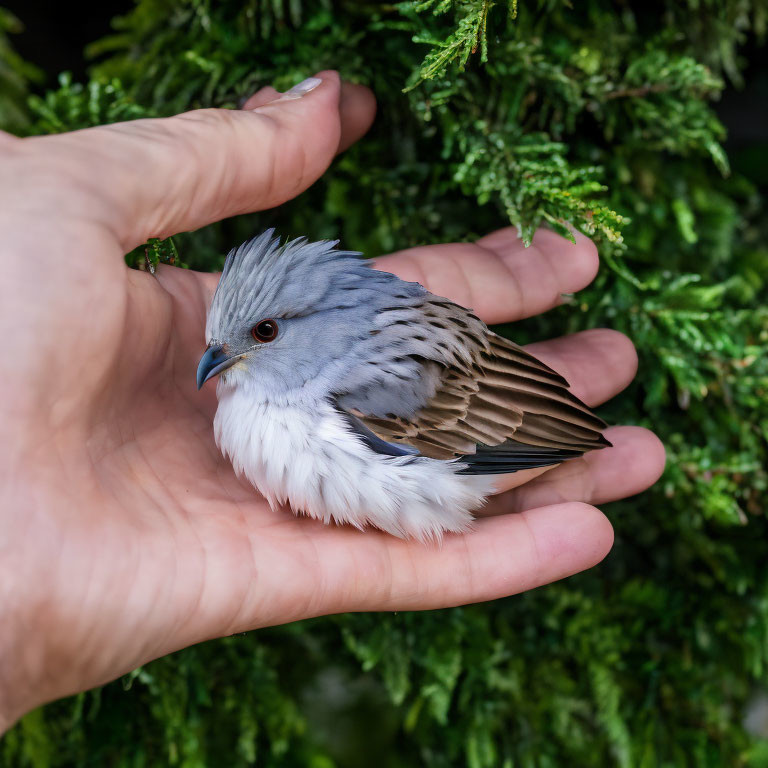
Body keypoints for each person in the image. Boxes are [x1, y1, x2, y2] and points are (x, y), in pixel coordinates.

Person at [0, 71, 665, 731]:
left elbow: (490, 429)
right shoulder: (257, 386)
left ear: (308, 323)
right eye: (221, 340)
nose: (217, 360)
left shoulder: (370, 389)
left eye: (261, 334)